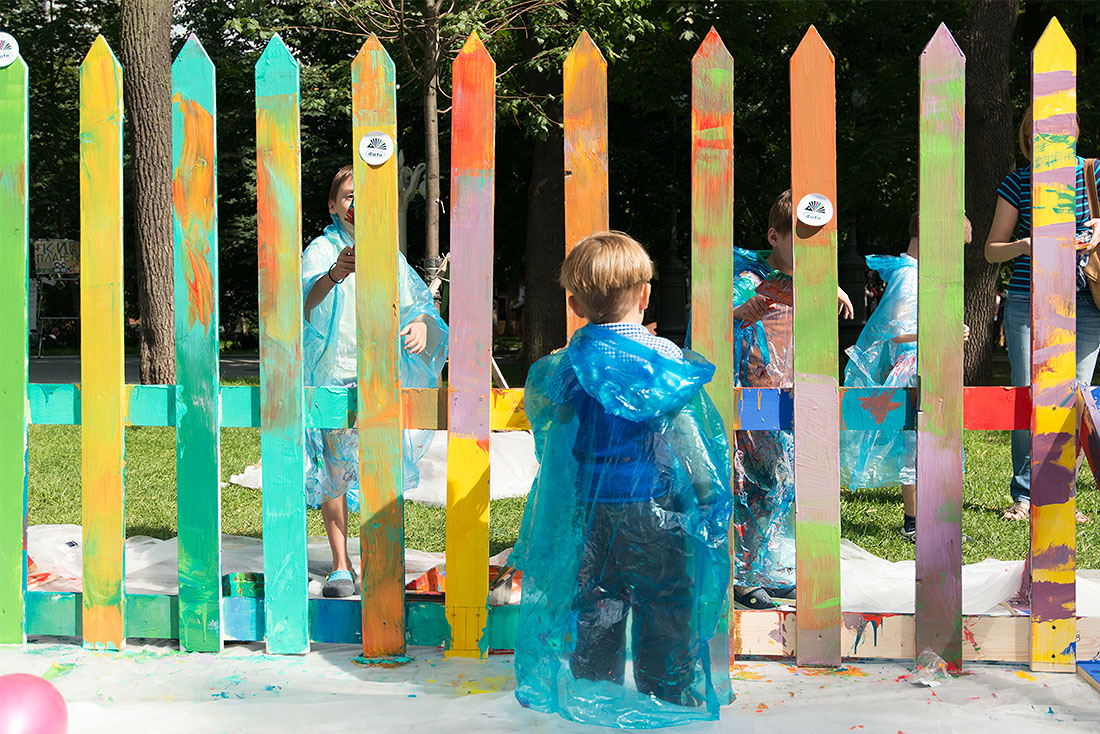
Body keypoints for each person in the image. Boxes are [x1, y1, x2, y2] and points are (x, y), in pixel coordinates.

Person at [510, 231, 733, 725]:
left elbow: (554, 436)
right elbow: (688, 433)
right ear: (646, 295)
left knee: (597, 601)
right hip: (658, 510)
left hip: (591, 511)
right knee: (666, 599)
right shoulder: (664, 360)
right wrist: (707, 490)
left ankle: (595, 691)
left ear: (574, 304)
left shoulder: (569, 365)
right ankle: (666, 692)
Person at [302, 165, 448, 597]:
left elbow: (418, 303)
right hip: (333, 373)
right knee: (333, 471)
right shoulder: (321, 249)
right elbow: (303, 301)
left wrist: (421, 324)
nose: (357, 204)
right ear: (333, 206)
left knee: (379, 466)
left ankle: (377, 556)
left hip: (379, 375)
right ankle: (340, 563)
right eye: (349, 196)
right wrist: (335, 273)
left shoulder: (388, 254)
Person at [730, 189, 854, 609]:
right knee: (752, 485)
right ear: (774, 237)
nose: (809, 253)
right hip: (751, 399)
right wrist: (745, 310)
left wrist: (826, 286)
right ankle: (742, 575)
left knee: (782, 485)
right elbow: (723, 321)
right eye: (800, 242)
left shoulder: (808, 281)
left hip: (789, 399)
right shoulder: (747, 278)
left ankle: (767, 568)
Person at [985, 107, 1100, 523]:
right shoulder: (1018, 182)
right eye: (1040, 131)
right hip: (1026, 301)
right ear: (1029, 136)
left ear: (1074, 130)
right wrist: (1024, 245)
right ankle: (1024, 494)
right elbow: (991, 250)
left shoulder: (1094, 172)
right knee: (1028, 395)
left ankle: (1061, 493)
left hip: (1085, 301)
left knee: (1076, 398)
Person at [841, 212, 971, 542]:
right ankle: (915, 522)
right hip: (913, 370)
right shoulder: (909, 277)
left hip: (927, 365)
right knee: (915, 447)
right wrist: (942, 331)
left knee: (934, 443)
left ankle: (934, 518)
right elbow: (895, 331)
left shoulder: (917, 273)